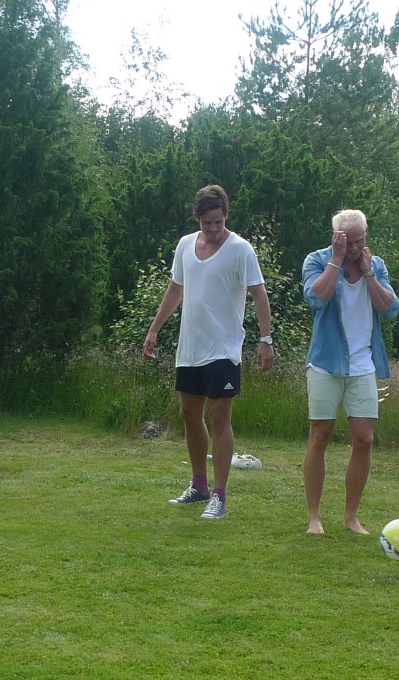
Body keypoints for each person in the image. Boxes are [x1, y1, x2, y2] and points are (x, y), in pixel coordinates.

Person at [143, 184, 274, 520]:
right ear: (197, 219)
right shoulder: (185, 245)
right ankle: (199, 486)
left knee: (219, 417)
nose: (214, 228)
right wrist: (154, 329)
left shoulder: (241, 249)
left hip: (224, 348)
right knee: (189, 415)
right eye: (207, 223)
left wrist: (265, 339)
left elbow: (259, 294)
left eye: (219, 222)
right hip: (191, 347)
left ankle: (219, 495)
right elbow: (176, 289)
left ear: (226, 216)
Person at [301, 209, 399, 535]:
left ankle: (351, 517)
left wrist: (369, 273)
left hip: (363, 365)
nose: (355, 248)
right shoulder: (317, 260)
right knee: (320, 435)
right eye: (349, 242)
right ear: (337, 238)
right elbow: (316, 299)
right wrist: (336, 259)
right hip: (326, 363)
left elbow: (390, 309)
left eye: (360, 240)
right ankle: (314, 516)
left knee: (364, 438)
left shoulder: (376, 264)